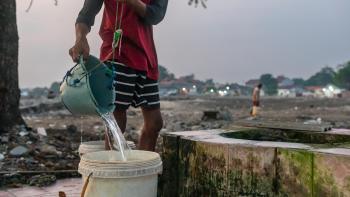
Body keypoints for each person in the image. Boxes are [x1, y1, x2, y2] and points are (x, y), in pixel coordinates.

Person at [69, 0, 168, 151]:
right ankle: (113, 168)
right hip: (118, 53)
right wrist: (80, 38)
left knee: (155, 123)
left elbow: (156, 15)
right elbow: (86, 15)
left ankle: (140, 168)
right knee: (117, 118)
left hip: (147, 58)